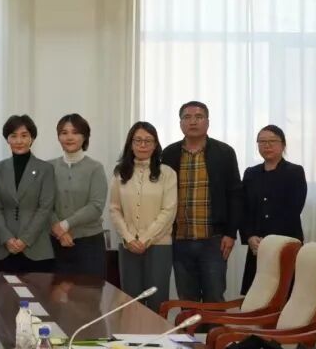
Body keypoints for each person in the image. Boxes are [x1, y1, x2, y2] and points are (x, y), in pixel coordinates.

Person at [160, 101, 243, 304]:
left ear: (207, 122)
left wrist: (231, 233)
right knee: (187, 300)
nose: (193, 122)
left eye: (198, 117)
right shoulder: (169, 154)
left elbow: (235, 195)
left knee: (214, 298)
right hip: (180, 239)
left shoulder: (224, 152)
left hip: (213, 240)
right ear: (180, 123)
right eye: (187, 117)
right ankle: (190, 327)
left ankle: (213, 328)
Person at [108, 122, 177, 311]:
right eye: (138, 140)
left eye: (148, 141)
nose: (143, 145)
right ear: (130, 144)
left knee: (157, 301)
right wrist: (129, 238)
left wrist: (145, 239)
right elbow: (114, 209)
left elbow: (168, 211)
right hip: (128, 245)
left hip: (159, 245)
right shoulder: (120, 172)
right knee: (131, 303)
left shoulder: (167, 173)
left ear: (155, 145)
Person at [240, 125, 307, 293]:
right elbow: (244, 209)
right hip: (257, 246)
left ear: (283, 145)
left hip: (286, 242)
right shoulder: (251, 173)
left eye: (272, 141)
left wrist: (269, 241)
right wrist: (250, 236)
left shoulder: (295, 172)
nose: (267, 145)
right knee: (258, 294)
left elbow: (294, 209)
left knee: (286, 293)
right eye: (262, 141)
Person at [0, 115, 56, 272]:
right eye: (13, 136)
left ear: (32, 138)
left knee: (38, 288)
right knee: (2, 288)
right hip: (4, 248)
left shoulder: (45, 169)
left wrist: (25, 240)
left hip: (36, 248)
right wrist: (7, 238)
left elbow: (45, 208)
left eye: (24, 136)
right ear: (7, 139)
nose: (19, 141)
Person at [49, 114, 108, 276]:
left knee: (89, 291)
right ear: (58, 137)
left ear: (85, 136)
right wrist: (58, 230)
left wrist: (65, 225)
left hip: (89, 243)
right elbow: (44, 203)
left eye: (75, 132)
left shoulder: (95, 168)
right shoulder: (48, 167)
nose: (69, 137)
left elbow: (96, 206)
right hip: (54, 243)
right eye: (64, 132)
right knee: (53, 290)